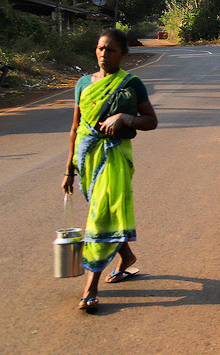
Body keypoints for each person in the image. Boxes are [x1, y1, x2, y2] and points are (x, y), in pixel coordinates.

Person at [62, 28, 158, 312]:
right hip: (87, 158)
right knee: (103, 212)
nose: (104, 54)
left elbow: (151, 120)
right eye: (101, 48)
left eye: (111, 50)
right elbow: (76, 126)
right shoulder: (83, 83)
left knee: (101, 217)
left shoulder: (132, 84)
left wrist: (125, 117)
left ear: (123, 54)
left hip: (115, 157)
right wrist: (69, 168)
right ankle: (126, 257)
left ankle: (91, 288)